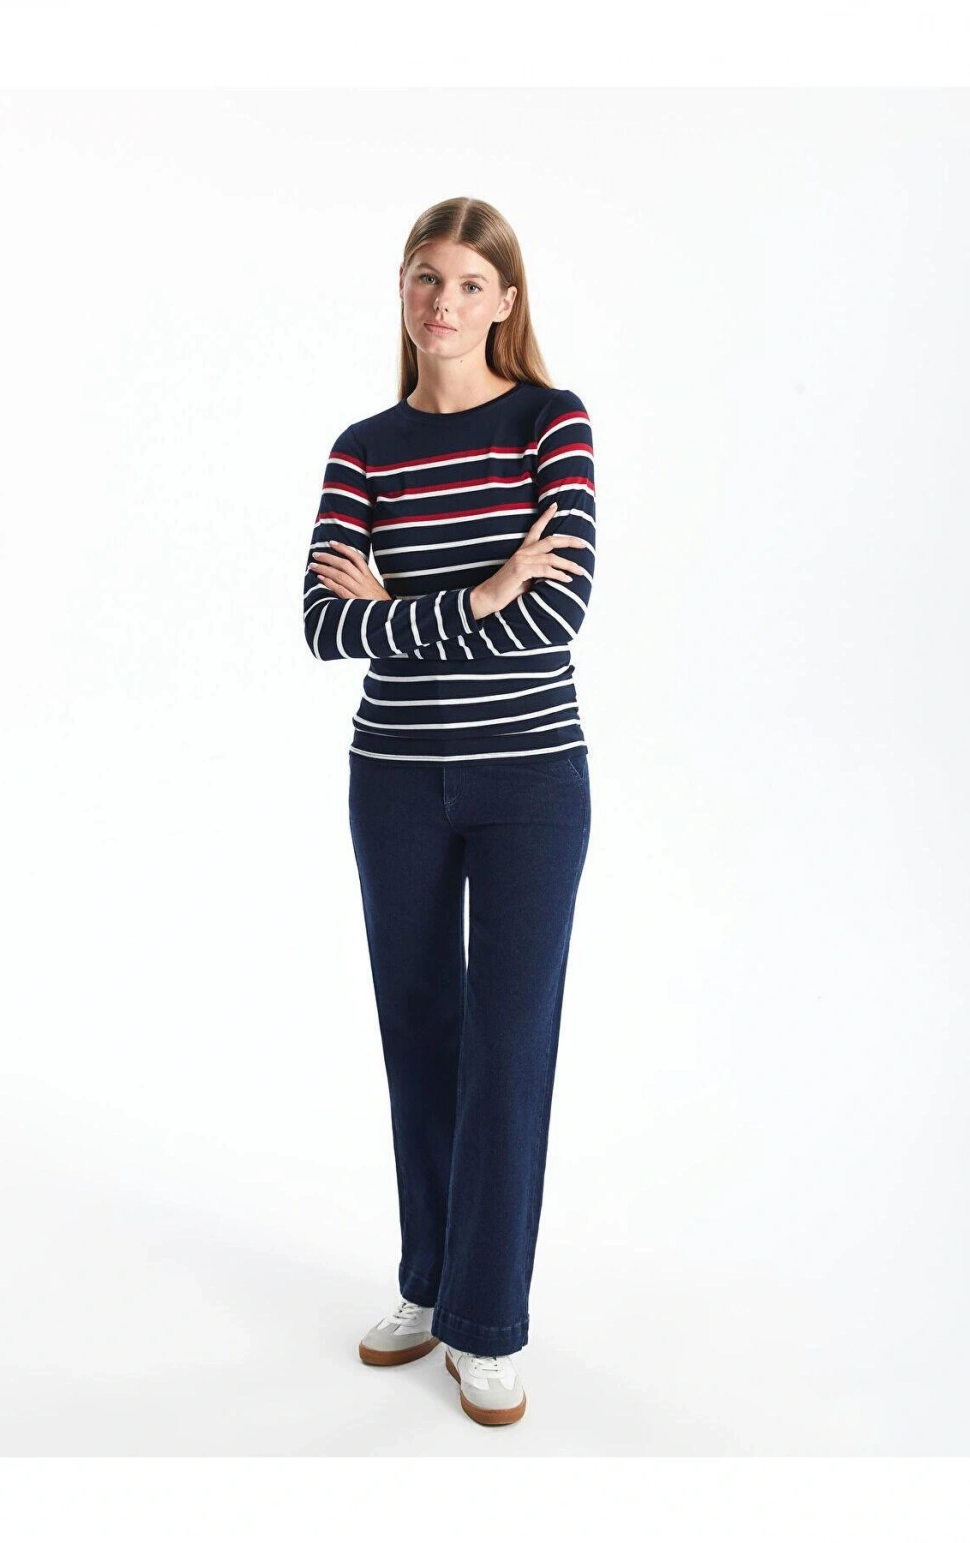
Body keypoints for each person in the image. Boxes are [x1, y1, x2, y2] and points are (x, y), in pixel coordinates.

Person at [302, 197, 596, 1427]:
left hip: (528, 779)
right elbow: (325, 627)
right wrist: (478, 594)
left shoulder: (549, 422)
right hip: (394, 781)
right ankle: (426, 1282)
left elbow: (556, 611)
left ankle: (487, 1320)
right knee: (416, 1031)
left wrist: (404, 609)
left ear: (504, 302)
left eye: (471, 282)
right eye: (426, 277)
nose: (444, 302)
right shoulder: (362, 447)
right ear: (402, 290)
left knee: (508, 1043)